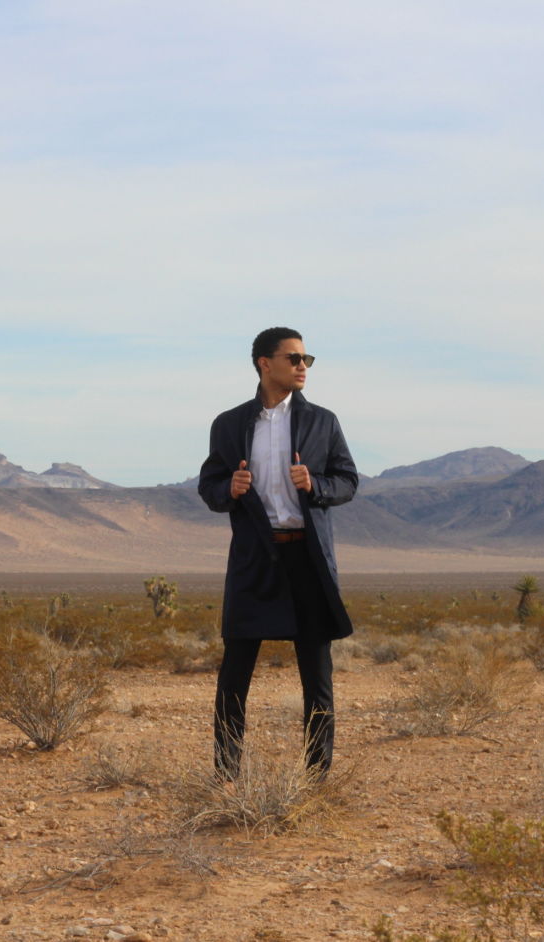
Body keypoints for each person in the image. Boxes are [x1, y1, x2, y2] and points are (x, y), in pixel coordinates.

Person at [197, 326, 358, 779]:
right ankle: (226, 774)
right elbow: (209, 487)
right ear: (265, 364)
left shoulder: (323, 422)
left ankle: (317, 778)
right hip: (255, 558)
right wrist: (229, 488)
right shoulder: (229, 424)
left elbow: (348, 481)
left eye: (307, 359)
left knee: (317, 676)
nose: (303, 366)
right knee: (234, 673)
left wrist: (316, 484)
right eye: (294, 358)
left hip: (307, 558)